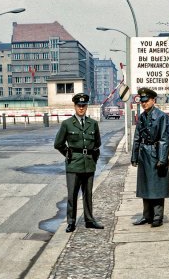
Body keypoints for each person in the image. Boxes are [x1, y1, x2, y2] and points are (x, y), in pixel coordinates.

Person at [54, 92, 104, 233]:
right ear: (74, 106)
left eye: (84, 105)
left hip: (88, 163)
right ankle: (71, 222)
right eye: (79, 105)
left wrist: (92, 156)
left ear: (87, 106)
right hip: (74, 164)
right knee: (72, 195)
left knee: (88, 194)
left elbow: (97, 143)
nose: (81, 108)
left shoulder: (92, 124)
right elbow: (58, 143)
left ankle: (89, 220)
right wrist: (68, 153)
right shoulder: (67, 124)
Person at [131, 88, 169, 228]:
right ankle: (147, 215)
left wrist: (162, 158)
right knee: (145, 186)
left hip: (155, 153)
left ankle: (157, 217)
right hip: (144, 154)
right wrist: (134, 156)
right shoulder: (142, 117)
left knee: (157, 186)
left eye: (146, 101)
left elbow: (165, 138)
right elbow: (137, 137)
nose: (144, 103)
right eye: (142, 101)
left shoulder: (161, 117)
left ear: (153, 101)